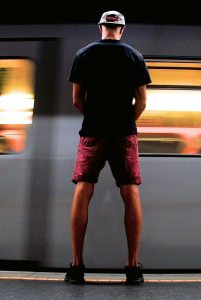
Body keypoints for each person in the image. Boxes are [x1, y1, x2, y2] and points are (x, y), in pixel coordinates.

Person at [65, 10, 151, 285]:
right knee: (130, 192)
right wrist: (125, 121)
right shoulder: (134, 56)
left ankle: (77, 267)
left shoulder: (83, 54)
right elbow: (142, 101)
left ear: (100, 27)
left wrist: (96, 118)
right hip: (124, 132)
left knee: (83, 188)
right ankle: (132, 268)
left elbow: (77, 99)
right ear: (122, 30)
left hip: (92, 132)